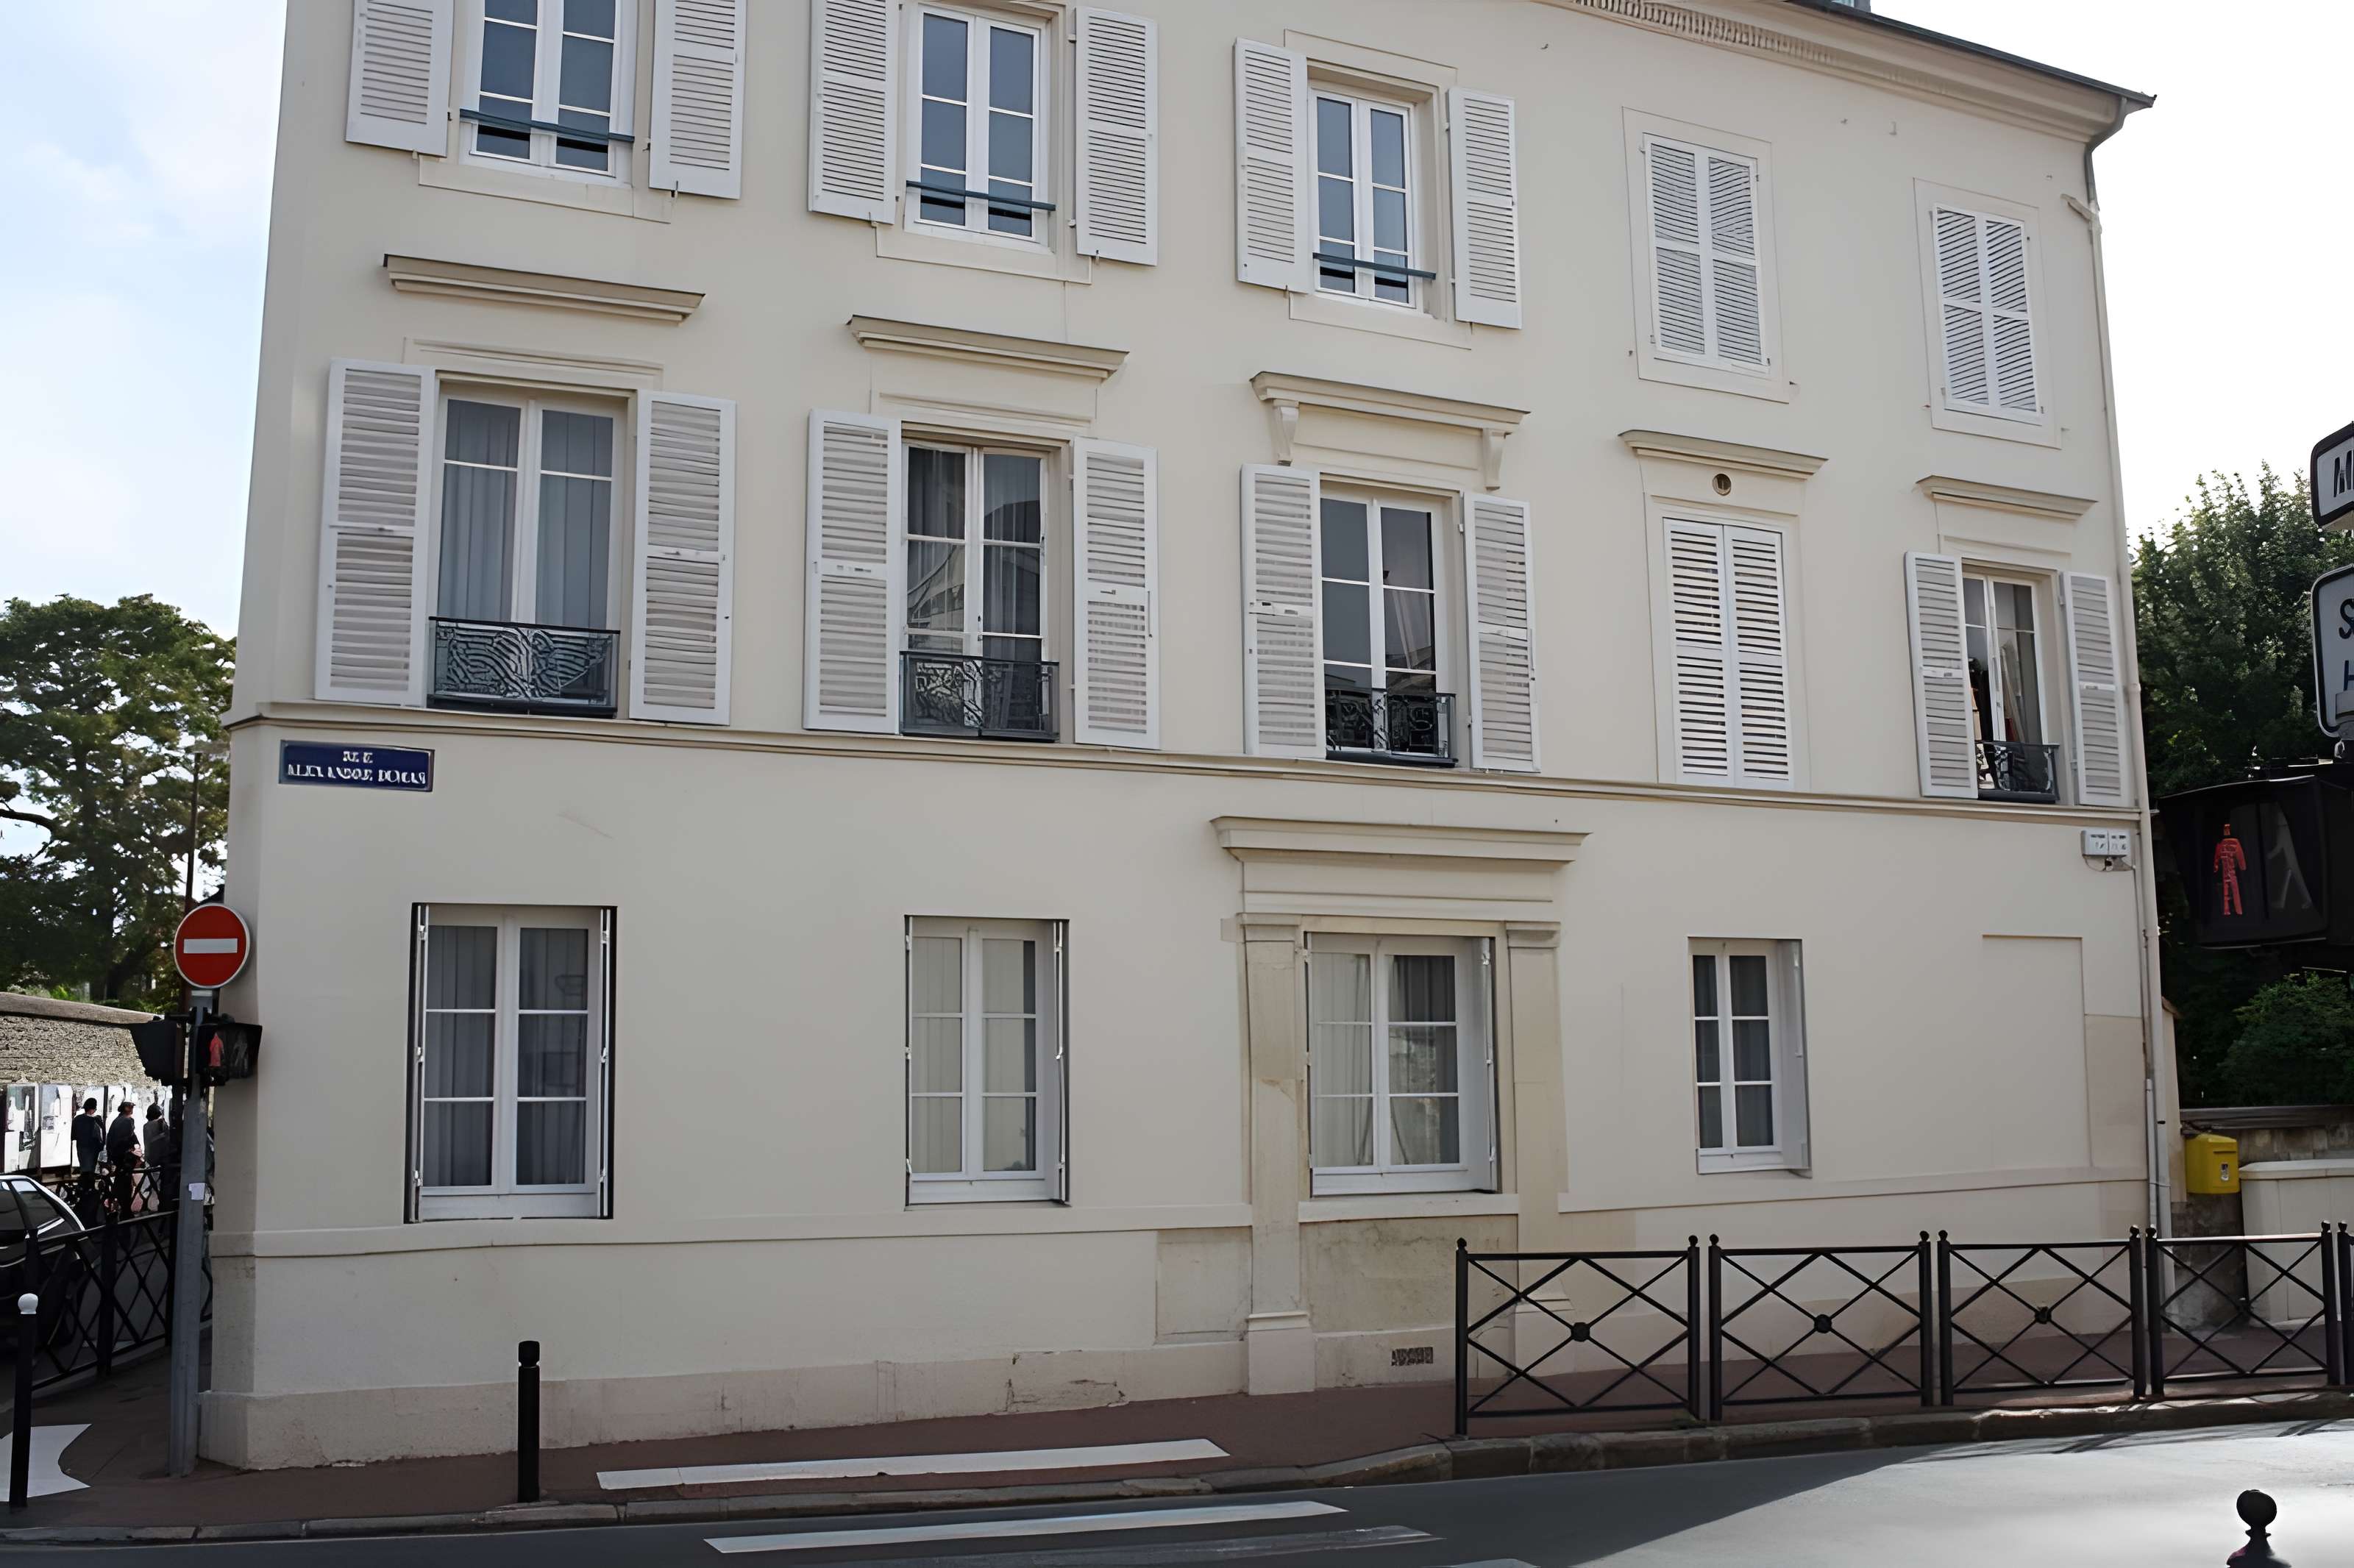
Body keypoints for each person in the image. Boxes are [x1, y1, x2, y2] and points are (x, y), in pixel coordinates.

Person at [105, 1101, 141, 1217]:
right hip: (124, 1157)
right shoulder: (127, 1121)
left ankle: (116, 1204)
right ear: (128, 1109)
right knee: (125, 1184)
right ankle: (125, 1209)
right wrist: (134, 1148)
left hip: (116, 1157)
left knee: (120, 1181)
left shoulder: (116, 1120)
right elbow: (129, 1138)